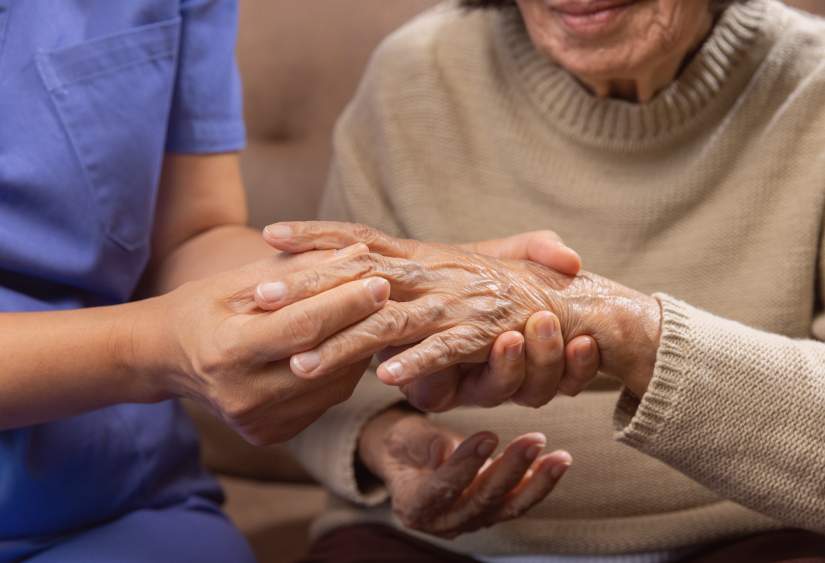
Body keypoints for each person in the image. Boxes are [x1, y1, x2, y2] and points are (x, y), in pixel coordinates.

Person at [0, 1, 584, 560]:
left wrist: (399, 275)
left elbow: (189, 237)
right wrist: (149, 348)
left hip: (110, 494)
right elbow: (159, 337)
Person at [253, 0, 825, 561]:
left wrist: (622, 326)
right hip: (426, 544)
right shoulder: (413, 72)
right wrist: (387, 446)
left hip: (754, 531)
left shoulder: (812, 81)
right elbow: (320, 369)